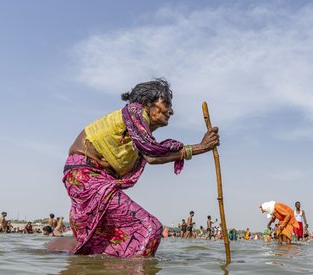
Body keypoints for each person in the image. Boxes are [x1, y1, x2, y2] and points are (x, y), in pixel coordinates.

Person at [51, 79, 220, 256]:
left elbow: (151, 158)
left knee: (101, 240)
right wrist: (201, 147)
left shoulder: (138, 133)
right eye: (166, 103)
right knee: (150, 227)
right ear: (148, 103)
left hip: (87, 178)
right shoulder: (134, 111)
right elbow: (153, 153)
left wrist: (201, 148)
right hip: (85, 176)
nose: (171, 111)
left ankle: (71, 261)